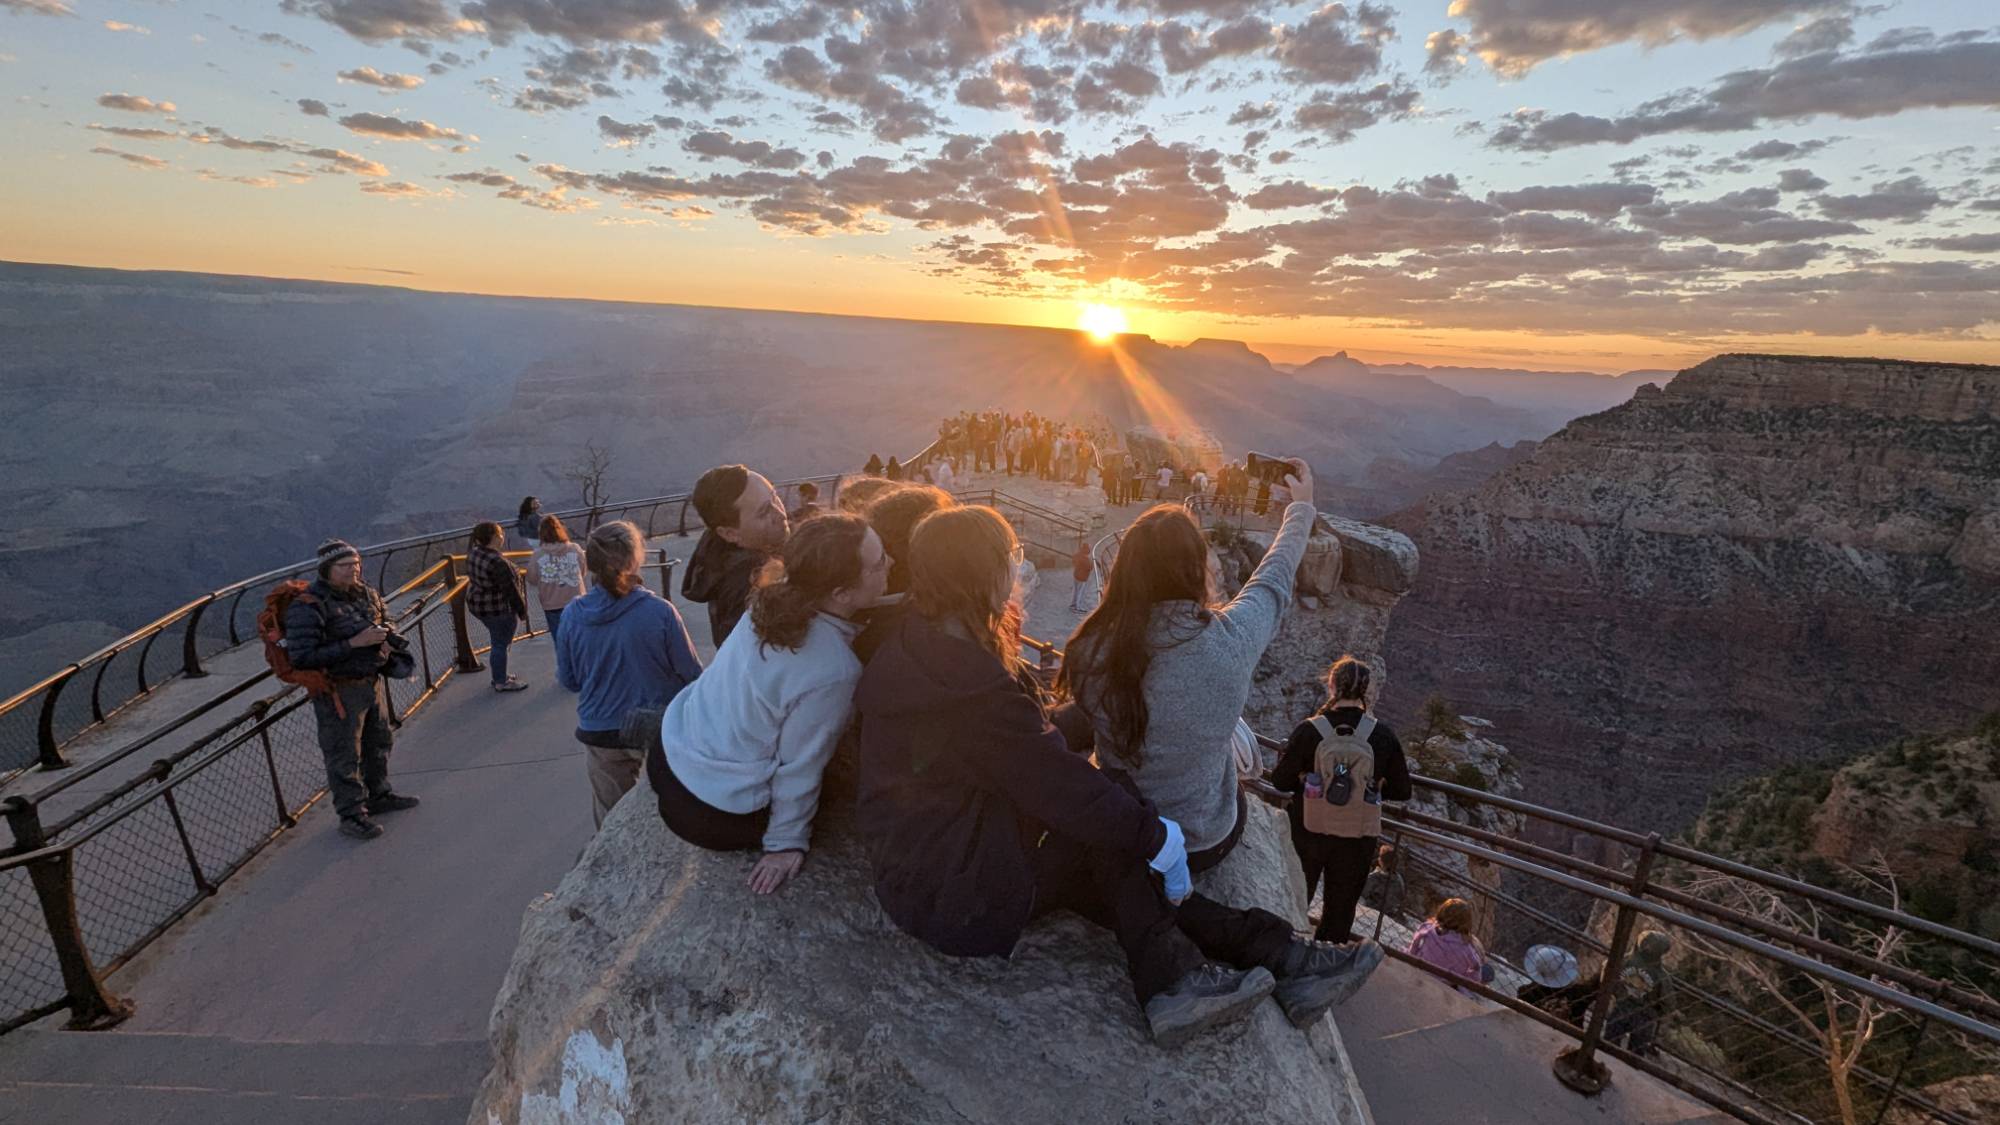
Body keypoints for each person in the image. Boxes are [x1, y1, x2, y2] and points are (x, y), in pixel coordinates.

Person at [856, 506, 1383, 1046]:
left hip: (937, 864)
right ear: (979, 576)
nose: (1016, 571)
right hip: (956, 891)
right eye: (1010, 559)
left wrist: (1092, 739)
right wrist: (1156, 834)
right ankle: (1177, 981)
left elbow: (1018, 752)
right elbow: (1054, 781)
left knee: (1123, 864)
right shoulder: (966, 684)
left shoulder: (924, 645)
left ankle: (1281, 957)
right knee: (1115, 821)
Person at [1058, 459, 1318, 875]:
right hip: (1203, 842)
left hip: (1124, 829)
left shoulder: (1090, 648)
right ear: (1195, 570)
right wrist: (1301, 509)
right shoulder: (1230, 640)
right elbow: (1273, 579)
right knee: (1234, 734)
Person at [649, 514, 888, 894]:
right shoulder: (834, 671)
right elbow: (801, 764)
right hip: (711, 812)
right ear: (841, 593)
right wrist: (785, 842)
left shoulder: (769, 600)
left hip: (667, 758)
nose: (890, 564)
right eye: (878, 563)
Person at [556, 521, 704, 828]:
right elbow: (692, 674)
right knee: (667, 818)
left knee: (612, 825)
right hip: (656, 729)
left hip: (600, 733)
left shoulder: (572, 615)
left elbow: (569, 680)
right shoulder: (660, 612)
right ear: (634, 559)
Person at [283, 538, 419, 840]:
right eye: (345, 566)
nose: (353, 570)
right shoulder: (307, 606)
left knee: (378, 742)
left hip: (370, 681)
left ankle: (379, 795)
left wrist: (385, 643)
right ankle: (352, 815)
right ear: (327, 569)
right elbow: (302, 656)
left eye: (356, 564)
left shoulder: (364, 593)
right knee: (344, 754)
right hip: (338, 692)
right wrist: (353, 644)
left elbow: (385, 619)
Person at [1271, 655, 1412, 942]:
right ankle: (1323, 966)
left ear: (1332, 685)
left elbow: (1280, 781)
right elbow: (1402, 790)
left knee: (1296, 897)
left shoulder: (1311, 729)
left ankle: (1282, 952)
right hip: (1356, 837)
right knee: (1340, 910)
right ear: (1366, 690)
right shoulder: (1382, 736)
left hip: (1307, 830)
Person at [682, 464, 789, 652]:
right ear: (730, 533)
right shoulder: (750, 583)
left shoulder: (721, 563)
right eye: (764, 512)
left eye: (775, 496)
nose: (780, 514)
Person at [467, 521, 530, 692]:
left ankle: (500, 676)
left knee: (498, 642)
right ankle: (501, 681)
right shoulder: (498, 562)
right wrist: (522, 611)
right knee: (500, 644)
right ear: (495, 537)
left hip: (479, 605)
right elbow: (511, 590)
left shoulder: (474, 553)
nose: (503, 537)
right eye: (501, 533)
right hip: (499, 610)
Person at [1607, 931, 1674, 1056]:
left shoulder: (1626, 960)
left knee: (1608, 1046)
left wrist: (1618, 994)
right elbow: (1668, 1003)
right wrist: (1654, 1011)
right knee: (1634, 1055)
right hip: (1643, 1015)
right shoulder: (1661, 975)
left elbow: (1610, 977)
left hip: (1623, 1007)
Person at [527, 515, 587, 651]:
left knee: (561, 644)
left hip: (552, 605)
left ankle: (567, 669)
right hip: (577, 601)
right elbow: (582, 572)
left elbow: (532, 579)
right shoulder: (575, 549)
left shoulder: (538, 555)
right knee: (580, 640)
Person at [1409, 899, 1488, 991]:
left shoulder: (1428, 929)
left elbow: (1414, 944)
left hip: (1423, 969)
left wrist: (1412, 957)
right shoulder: (1466, 948)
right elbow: (1476, 970)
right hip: (1446, 983)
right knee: (1488, 971)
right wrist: (1462, 980)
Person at [1070, 536, 1093, 613]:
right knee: (1080, 592)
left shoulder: (1077, 555)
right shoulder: (1086, 559)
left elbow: (1073, 561)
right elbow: (1090, 567)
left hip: (1076, 575)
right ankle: (1078, 606)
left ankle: (1073, 604)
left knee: (1075, 591)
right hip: (1082, 577)